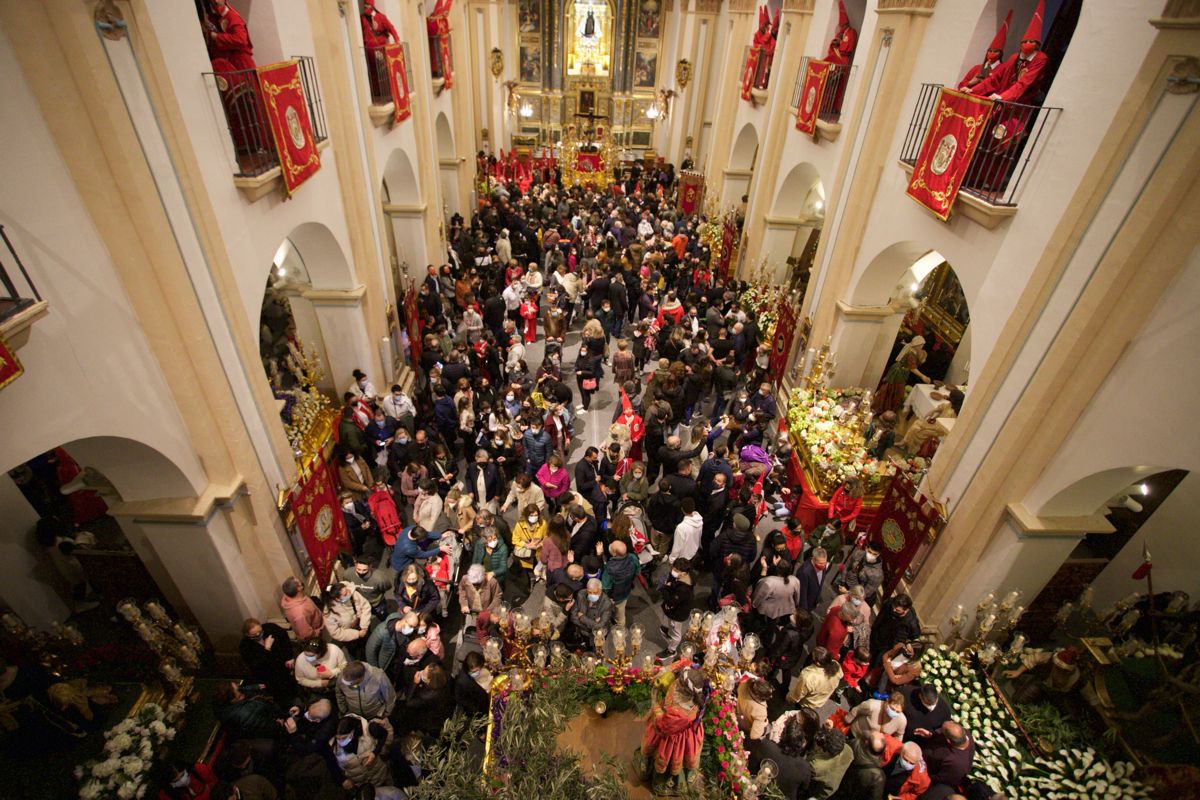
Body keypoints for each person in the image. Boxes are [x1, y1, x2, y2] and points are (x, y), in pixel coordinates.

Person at [636, 667, 705, 794]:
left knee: (669, 756)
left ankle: (665, 780)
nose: (675, 682)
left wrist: (655, 705)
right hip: (683, 729)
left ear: (682, 688)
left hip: (674, 739)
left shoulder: (680, 714)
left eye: (678, 682)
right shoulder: (692, 692)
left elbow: (662, 727)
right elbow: (682, 665)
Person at [970, 1, 1050, 105]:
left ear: (1037, 45)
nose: (1027, 44)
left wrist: (1003, 96)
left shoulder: (1040, 58)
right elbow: (996, 78)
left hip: (1019, 103)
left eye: (1031, 42)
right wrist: (973, 89)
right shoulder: (1014, 57)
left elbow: (1025, 82)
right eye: (1025, 41)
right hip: (1000, 99)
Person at [746, 713, 811, 800]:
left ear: (782, 735)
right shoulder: (805, 767)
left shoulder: (766, 745)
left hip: (753, 789)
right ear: (802, 744)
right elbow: (802, 790)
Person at [239, 618, 295, 704]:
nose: (259, 635)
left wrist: (289, 657)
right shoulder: (245, 646)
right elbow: (257, 665)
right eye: (254, 635)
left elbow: (285, 640)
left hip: (282, 666)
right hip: (268, 675)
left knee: (291, 686)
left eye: (260, 632)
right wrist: (266, 649)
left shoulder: (271, 628)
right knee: (279, 695)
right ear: (247, 635)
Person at [332, 714, 393, 791]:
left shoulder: (369, 731)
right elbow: (333, 767)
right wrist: (343, 780)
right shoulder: (333, 748)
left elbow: (384, 735)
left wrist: (374, 753)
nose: (341, 742)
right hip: (360, 784)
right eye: (338, 738)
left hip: (379, 775)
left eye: (344, 738)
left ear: (352, 732)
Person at [872, 337, 930, 414]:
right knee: (895, 391)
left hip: (901, 372)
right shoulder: (911, 354)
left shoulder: (912, 351)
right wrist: (923, 376)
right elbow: (912, 368)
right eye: (921, 345)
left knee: (894, 391)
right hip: (899, 373)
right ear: (917, 345)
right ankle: (884, 409)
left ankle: (886, 409)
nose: (921, 347)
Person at [958, 10, 1010, 91]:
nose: (992, 53)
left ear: (1000, 54)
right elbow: (960, 86)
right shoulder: (976, 68)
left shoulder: (1002, 69)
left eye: (995, 51)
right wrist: (970, 83)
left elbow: (1002, 89)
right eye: (990, 51)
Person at [920, 720, 975, 791]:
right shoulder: (963, 734)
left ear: (948, 741)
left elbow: (940, 780)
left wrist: (921, 774)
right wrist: (932, 734)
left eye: (942, 731)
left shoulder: (955, 763)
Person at [870, 593, 922, 666]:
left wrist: (908, 644)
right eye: (893, 607)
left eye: (897, 610)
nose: (893, 610)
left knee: (876, 664)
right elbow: (880, 619)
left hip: (889, 647)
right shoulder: (889, 604)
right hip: (877, 637)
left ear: (906, 610)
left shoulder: (911, 622)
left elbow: (915, 637)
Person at [658, 558, 694, 658]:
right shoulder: (685, 577)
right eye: (673, 569)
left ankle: (671, 650)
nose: (673, 571)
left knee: (676, 632)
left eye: (676, 571)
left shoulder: (683, 589)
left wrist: (665, 587)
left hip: (678, 614)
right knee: (672, 626)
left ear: (684, 573)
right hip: (676, 608)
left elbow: (671, 600)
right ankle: (670, 632)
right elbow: (671, 578)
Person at [510, 504, 547, 603]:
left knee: (538, 566)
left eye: (536, 515)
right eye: (531, 515)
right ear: (526, 515)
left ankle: (538, 577)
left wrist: (539, 545)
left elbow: (546, 537)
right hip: (526, 554)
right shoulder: (520, 525)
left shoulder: (543, 524)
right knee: (527, 571)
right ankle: (530, 581)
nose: (534, 517)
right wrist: (527, 545)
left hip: (538, 553)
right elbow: (515, 539)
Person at [786, 646, 842, 711]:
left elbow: (798, 694)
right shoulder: (836, 665)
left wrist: (789, 698)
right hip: (818, 702)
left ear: (818, 662)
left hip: (806, 704)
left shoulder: (809, 676)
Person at [324, 581, 373, 654]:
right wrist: (357, 634)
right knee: (358, 653)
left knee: (370, 644)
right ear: (337, 599)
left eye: (347, 590)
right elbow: (336, 632)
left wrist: (364, 626)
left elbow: (365, 606)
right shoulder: (329, 612)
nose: (349, 592)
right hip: (350, 637)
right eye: (345, 594)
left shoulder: (352, 593)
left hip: (363, 626)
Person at [601, 539, 641, 626]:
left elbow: (605, 586)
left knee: (620, 615)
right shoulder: (633, 557)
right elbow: (638, 571)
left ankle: (620, 630)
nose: (610, 544)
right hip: (627, 588)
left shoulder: (610, 568)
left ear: (615, 553)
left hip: (617, 597)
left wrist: (608, 598)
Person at [571, 578, 615, 644]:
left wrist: (582, 618)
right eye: (589, 592)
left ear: (600, 590)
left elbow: (600, 626)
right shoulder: (581, 594)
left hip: (597, 635)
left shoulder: (606, 603)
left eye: (595, 592)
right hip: (581, 632)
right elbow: (573, 617)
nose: (592, 595)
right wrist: (592, 625)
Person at [280, 576, 324, 641]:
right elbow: (306, 634)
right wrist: (318, 632)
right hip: (316, 636)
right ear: (299, 589)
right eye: (299, 582)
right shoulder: (300, 613)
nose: (301, 582)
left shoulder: (291, 596)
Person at [455, 651, 491, 717]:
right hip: (476, 707)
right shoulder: (465, 682)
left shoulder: (467, 674)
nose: (477, 672)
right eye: (475, 671)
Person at [796, 546, 831, 612]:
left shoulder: (823, 565)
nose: (824, 566)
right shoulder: (804, 572)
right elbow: (802, 593)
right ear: (814, 559)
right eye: (820, 563)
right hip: (805, 605)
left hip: (813, 600)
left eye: (825, 562)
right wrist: (804, 610)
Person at [670, 497, 703, 563]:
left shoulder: (681, 527)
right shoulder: (700, 521)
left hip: (683, 556)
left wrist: (671, 559)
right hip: (693, 551)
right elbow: (699, 535)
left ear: (682, 509)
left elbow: (677, 547)